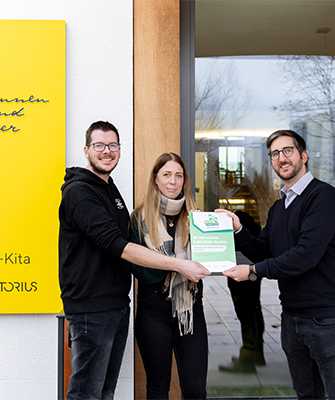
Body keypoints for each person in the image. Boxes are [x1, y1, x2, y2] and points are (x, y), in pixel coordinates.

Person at [58, 121, 210, 400]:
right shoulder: (80, 192)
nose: (107, 151)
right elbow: (120, 247)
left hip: (117, 305)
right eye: (99, 145)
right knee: (86, 392)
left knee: (104, 390)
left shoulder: (110, 190)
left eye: (113, 145)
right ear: (86, 150)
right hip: (92, 307)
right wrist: (179, 264)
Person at [221, 129, 335, 400]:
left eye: (288, 151)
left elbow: (305, 255)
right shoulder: (278, 207)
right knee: (307, 395)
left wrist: (251, 271)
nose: (281, 158)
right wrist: (239, 230)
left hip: (330, 320)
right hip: (294, 318)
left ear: (303, 156)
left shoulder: (323, 197)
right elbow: (263, 250)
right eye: (274, 153)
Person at [129, 152, 208, 400]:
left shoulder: (197, 219)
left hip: (190, 309)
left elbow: (207, 264)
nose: (173, 181)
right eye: (166, 175)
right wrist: (179, 265)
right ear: (155, 179)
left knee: (195, 389)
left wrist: (199, 240)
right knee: (157, 386)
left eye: (178, 175)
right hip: (153, 309)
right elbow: (142, 271)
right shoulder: (139, 219)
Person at [218, 211, 266, 374]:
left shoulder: (238, 215)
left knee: (246, 312)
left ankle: (247, 359)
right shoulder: (252, 215)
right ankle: (256, 354)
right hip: (253, 267)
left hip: (240, 266)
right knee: (254, 308)